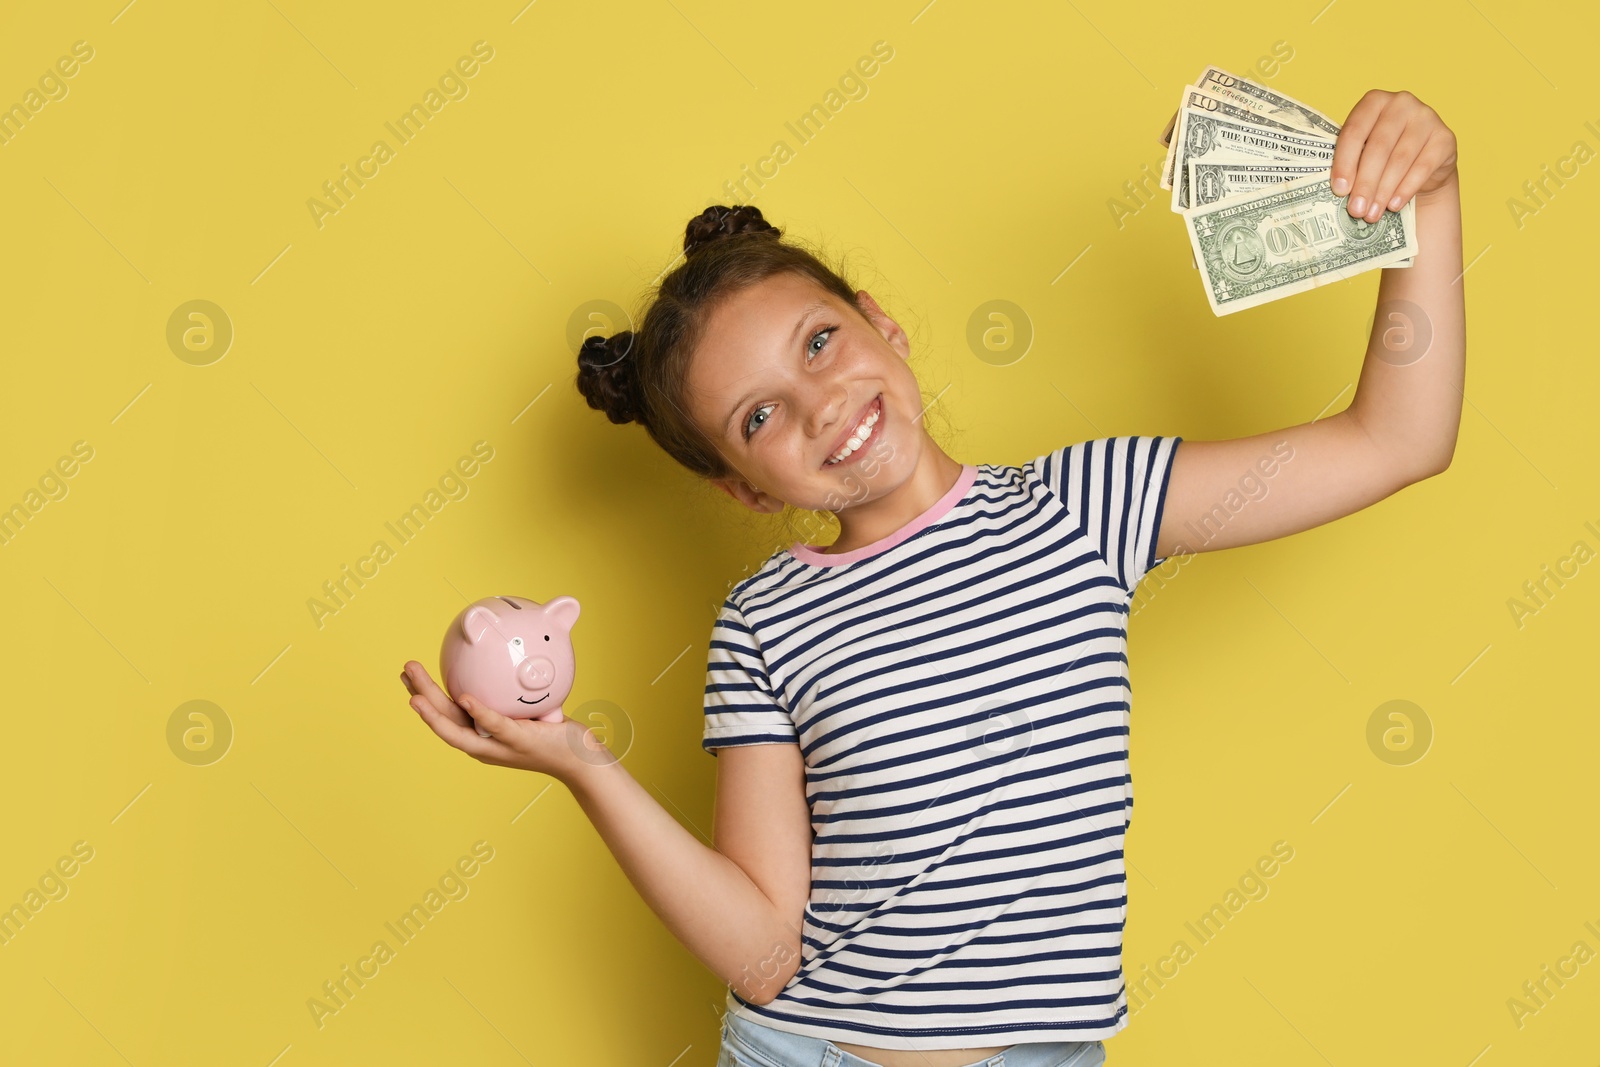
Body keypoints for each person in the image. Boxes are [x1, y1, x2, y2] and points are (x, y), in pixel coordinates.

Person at [401, 88, 1462, 1067]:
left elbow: (1395, 441)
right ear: (744, 490)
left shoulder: (1087, 505)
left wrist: (1431, 197)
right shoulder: (765, 621)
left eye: (819, 341)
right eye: (758, 416)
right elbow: (766, 953)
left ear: (882, 322)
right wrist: (584, 763)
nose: (818, 404)